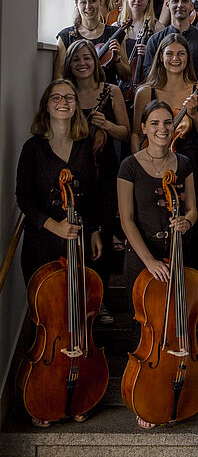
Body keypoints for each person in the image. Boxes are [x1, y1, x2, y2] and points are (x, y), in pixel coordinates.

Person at [16, 78, 102, 427]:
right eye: (56, 97)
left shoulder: (84, 146)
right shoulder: (33, 147)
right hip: (42, 243)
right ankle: (44, 392)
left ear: (75, 105)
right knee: (48, 321)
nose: (63, 102)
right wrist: (53, 226)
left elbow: (93, 194)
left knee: (79, 317)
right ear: (46, 105)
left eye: (68, 97)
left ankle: (80, 392)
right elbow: (24, 198)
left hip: (78, 239)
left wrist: (94, 229)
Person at [118, 99, 196, 429]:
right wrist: (148, 260)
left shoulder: (184, 163)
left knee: (179, 326)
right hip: (143, 261)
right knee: (149, 333)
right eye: (155, 123)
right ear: (144, 128)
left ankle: (179, 390)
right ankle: (147, 395)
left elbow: (191, 208)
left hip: (176, 254)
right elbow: (126, 219)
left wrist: (188, 223)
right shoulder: (129, 166)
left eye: (167, 123)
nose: (162, 129)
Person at [132, 34, 198, 266]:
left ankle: (186, 291)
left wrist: (194, 115)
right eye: (169, 53)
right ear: (160, 57)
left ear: (188, 58)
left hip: (188, 164)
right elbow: (136, 135)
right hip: (151, 165)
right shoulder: (146, 92)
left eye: (181, 53)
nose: (175, 58)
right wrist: (140, 165)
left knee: (188, 228)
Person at [63, 40, 130, 322]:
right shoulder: (65, 94)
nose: (82, 63)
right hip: (74, 171)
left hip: (104, 173)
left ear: (97, 61)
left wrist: (106, 125)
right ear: (69, 64)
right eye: (76, 58)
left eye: (87, 58)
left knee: (101, 235)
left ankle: (99, 301)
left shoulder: (111, 91)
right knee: (78, 232)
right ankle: (74, 298)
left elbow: (125, 132)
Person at [54, 0, 130, 83]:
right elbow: (58, 76)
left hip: (107, 94)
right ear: (77, 4)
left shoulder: (115, 34)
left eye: (92, 1)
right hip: (76, 96)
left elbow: (126, 77)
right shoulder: (65, 36)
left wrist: (117, 60)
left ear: (100, 1)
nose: (88, 6)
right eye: (83, 2)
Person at [144, 0, 198, 85]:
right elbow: (150, 76)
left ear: (192, 5)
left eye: (185, 0)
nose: (180, 5)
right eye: (175, 1)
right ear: (167, 5)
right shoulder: (155, 40)